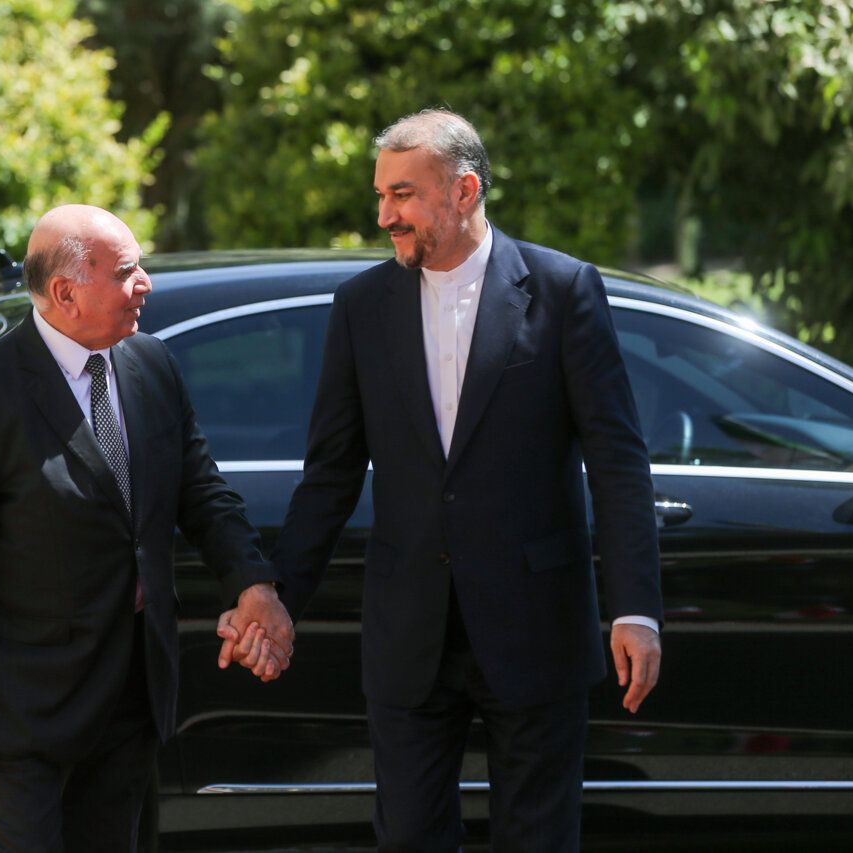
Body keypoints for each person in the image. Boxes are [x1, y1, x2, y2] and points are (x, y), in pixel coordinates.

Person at [218, 109, 663, 851]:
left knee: (539, 839)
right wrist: (279, 596)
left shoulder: (562, 290)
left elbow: (618, 460)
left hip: (536, 626)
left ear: (463, 190)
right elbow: (330, 473)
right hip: (408, 632)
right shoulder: (361, 306)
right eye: (381, 196)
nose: (385, 215)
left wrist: (635, 608)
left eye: (403, 195)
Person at [0, 204, 293, 852]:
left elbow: (200, 490)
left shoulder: (150, 365)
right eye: (126, 271)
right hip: (22, 716)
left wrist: (252, 583)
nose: (145, 283)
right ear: (65, 291)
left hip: (131, 697)